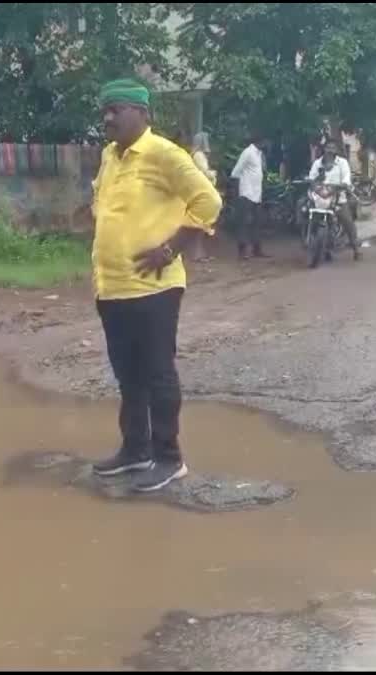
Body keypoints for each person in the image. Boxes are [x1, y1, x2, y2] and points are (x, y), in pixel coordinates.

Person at [88, 79, 223, 491]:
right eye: (105, 110)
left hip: (155, 288)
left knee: (158, 372)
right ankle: (136, 449)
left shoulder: (164, 153)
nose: (108, 117)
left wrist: (170, 250)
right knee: (128, 376)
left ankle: (169, 457)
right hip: (112, 288)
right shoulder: (110, 156)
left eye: (118, 109)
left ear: (143, 114)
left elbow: (208, 201)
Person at [308, 140, 361, 261]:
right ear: (324, 149)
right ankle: (314, 243)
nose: (330, 150)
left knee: (348, 222)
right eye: (328, 148)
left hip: (337, 199)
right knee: (306, 212)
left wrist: (344, 185)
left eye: (333, 148)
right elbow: (312, 178)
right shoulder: (318, 163)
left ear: (336, 150)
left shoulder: (342, 163)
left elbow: (346, 179)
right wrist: (314, 183)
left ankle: (356, 248)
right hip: (320, 198)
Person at [230, 132, 267, 259]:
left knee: (257, 222)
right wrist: (237, 193)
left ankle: (256, 249)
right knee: (244, 223)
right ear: (260, 141)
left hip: (257, 193)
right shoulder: (248, 152)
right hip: (246, 192)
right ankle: (242, 251)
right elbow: (235, 172)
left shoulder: (259, 154)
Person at [188, 132, 217, 262]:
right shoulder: (199, 156)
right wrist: (213, 173)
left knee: (201, 226)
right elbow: (204, 173)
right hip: (200, 193)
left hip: (199, 192)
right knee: (200, 226)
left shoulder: (197, 155)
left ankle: (200, 254)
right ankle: (197, 254)